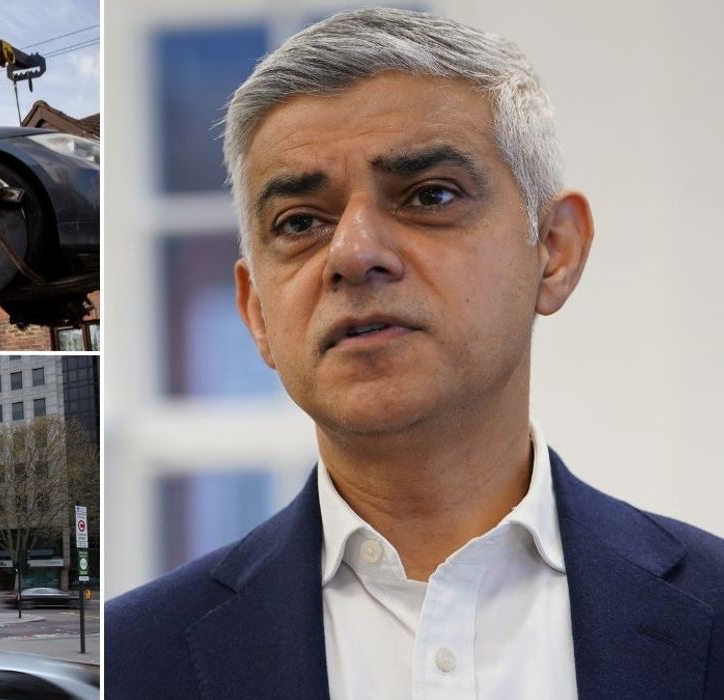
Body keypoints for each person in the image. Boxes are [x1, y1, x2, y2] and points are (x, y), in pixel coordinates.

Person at [104, 8, 724, 698]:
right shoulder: (134, 660)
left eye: (429, 195)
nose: (352, 252)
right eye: (300, 222)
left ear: (553, 252)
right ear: (256, 312)